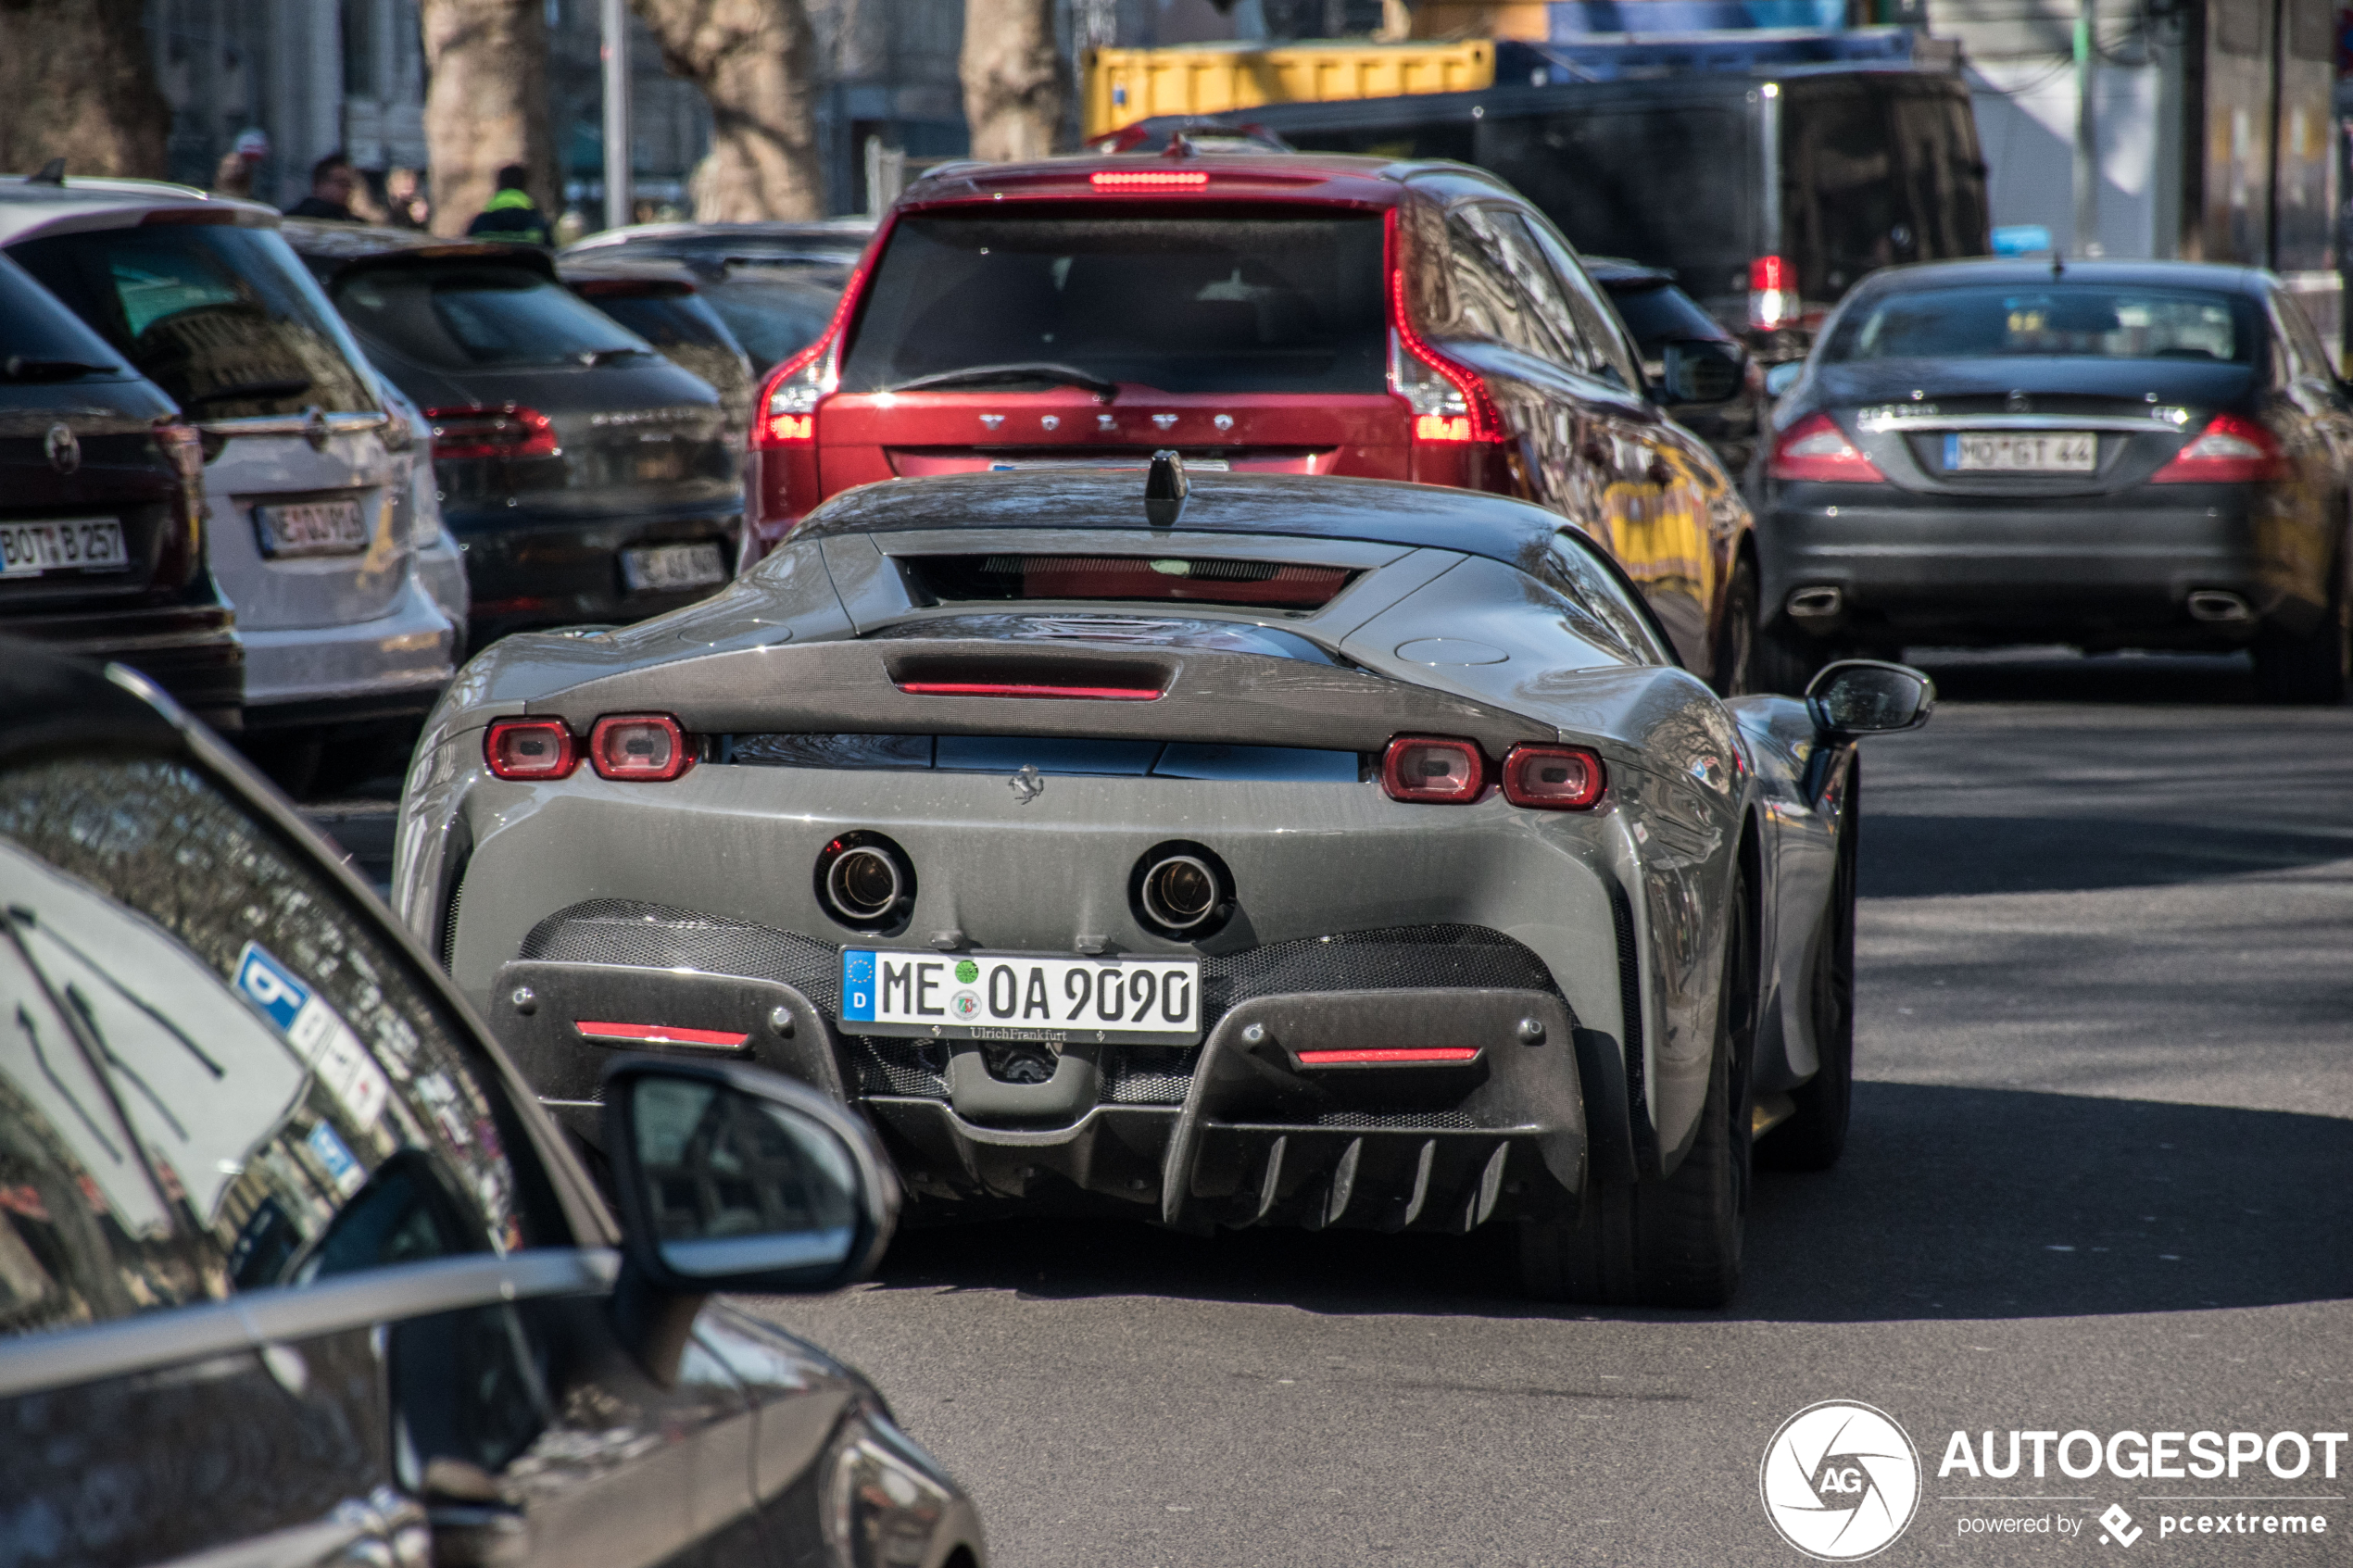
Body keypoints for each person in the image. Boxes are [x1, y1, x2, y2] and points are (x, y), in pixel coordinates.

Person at [466, 165, 550, 246]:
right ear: (525, 186)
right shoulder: (538, 224)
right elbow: (552, 256)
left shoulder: (479, 224)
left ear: (498, 185)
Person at [284, 151, 359, 221]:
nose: (349, 190)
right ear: (319, 184)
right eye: (342, 183)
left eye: (351, 185)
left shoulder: (349, 219)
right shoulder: (302, 217)